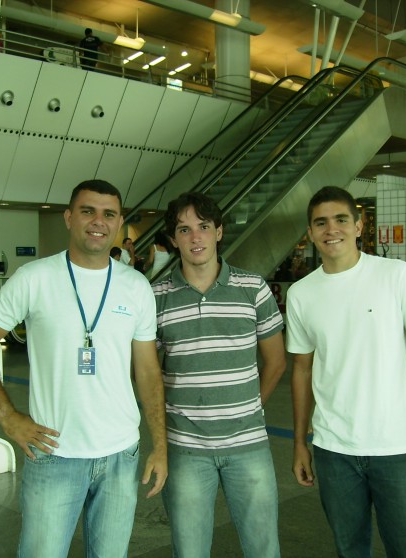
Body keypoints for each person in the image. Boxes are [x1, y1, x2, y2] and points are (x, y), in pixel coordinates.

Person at [0, 179, 167, 558]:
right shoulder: (34, 278)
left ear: (119, 222)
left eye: (109, 214)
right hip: (54, 453)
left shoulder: (135, 286)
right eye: (88, 211)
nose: (98, 221)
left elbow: (148, 371)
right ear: (69, 217)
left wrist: (160, 444)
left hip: (121, 455)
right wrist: (7, 416)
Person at [286, 186, 406, 558]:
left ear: (359, 226)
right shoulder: (301, 293)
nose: (332, 229)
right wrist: (300, 442)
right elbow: (301, 369)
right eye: (321, 223)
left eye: (341, 219)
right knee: (350, 549)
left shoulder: (394, 275)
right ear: (311, 233)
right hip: (333, 450)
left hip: (395, 448)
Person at [153, 192, 286, 557]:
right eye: (184, 229)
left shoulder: (252, 288)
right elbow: (148, 373)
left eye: (204, 227)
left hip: (248, 446)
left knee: (264, 548)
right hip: (186, 450)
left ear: (219, 232)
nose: (195, 237)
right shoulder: (155, 298)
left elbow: (275, 361)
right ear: (173, 238)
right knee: (190, 550)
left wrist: (250, 406)